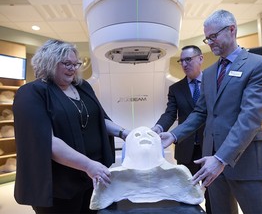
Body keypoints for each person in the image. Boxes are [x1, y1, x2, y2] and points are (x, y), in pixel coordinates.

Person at [160, 9, 262, 214]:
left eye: (213, 36)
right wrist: (175, 134)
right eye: (207, 38)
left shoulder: (259, 66)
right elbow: (201, 112)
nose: (210, 42)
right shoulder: (211, 73)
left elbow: (249, 119)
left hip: (245, 161)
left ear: (231, 30)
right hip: (211, 163)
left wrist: (221, 159)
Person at [13, 39, 130, 213]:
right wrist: (89, 165)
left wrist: (125, 133)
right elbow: (46, 141)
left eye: (76, 64)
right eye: (67, 63)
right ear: (49, 63)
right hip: (60, 185)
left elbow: (100, 120)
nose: (73, 68)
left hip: (92, 179)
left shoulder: (83, 87)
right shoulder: (32, 92)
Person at [151, 45, 211, 213]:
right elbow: (170, 114)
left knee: (212, 193)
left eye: (188, 59)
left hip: (210, 148)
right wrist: (159, 126)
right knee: (187, 193)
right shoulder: (176, 89)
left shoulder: (212, 83)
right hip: (186, 148)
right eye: (181, 60)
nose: (184, 64)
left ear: (200, 58)